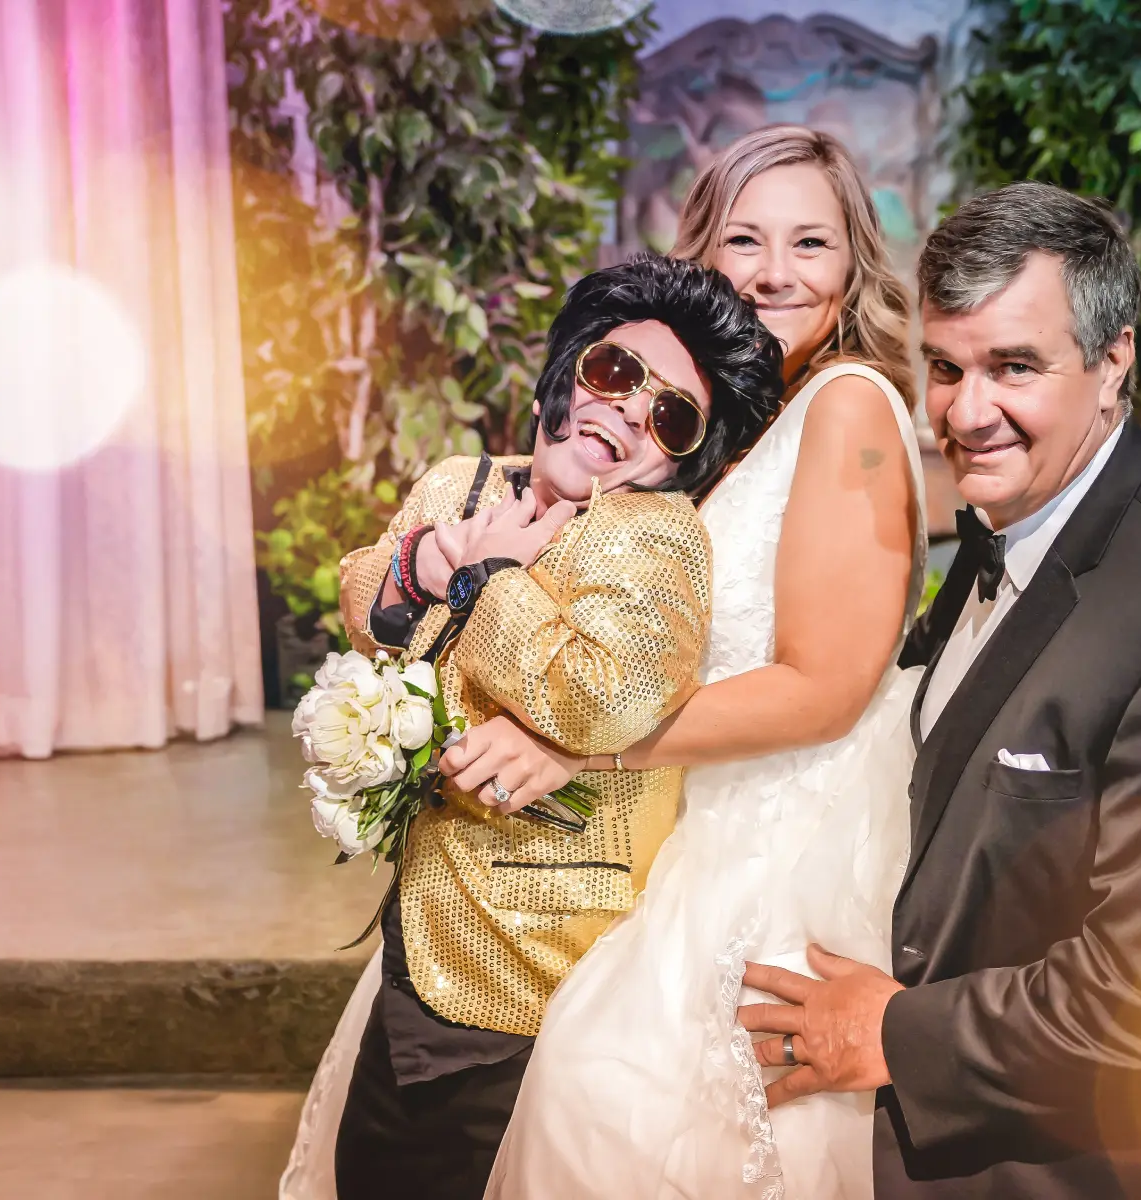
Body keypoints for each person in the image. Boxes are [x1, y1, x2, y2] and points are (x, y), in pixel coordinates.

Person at [739, 181, 1141, 1198]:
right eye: (945, 368)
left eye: (1014, 366)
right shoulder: (1009, 522)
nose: (966, 414)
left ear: (1114, 364)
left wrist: (893, 1032)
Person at [460, 126, 926, 1198]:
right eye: (744, 240)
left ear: (853, 262)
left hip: (780, 839)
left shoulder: (847, 405)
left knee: (610, 1103)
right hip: (695, 816)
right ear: (700, 252)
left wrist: (581, 748)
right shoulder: (729, 422)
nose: (773, 272)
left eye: (810, 242)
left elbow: (825, 686)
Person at [279, 253, 783, 1200]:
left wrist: (491, 576)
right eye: (618, 373)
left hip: (531, 973)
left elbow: (601, 699)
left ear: (681, 461)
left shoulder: (660, 540)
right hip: (413, 939)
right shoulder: (460, 484)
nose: (630, 412)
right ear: (570, 365)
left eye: (671, 416)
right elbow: (367, 599)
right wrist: (429, 560)